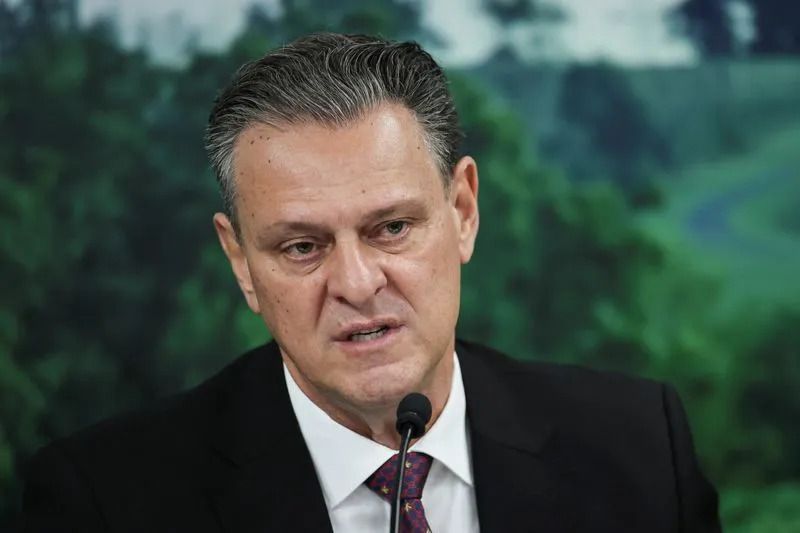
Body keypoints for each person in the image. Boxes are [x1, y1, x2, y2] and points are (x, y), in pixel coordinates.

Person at [21, 33, 721, 532]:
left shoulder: (639, 449)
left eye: (391, 228)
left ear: (463, 212)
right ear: (240, 262)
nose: (356, 284)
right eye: (302, 246)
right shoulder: (102, 503)